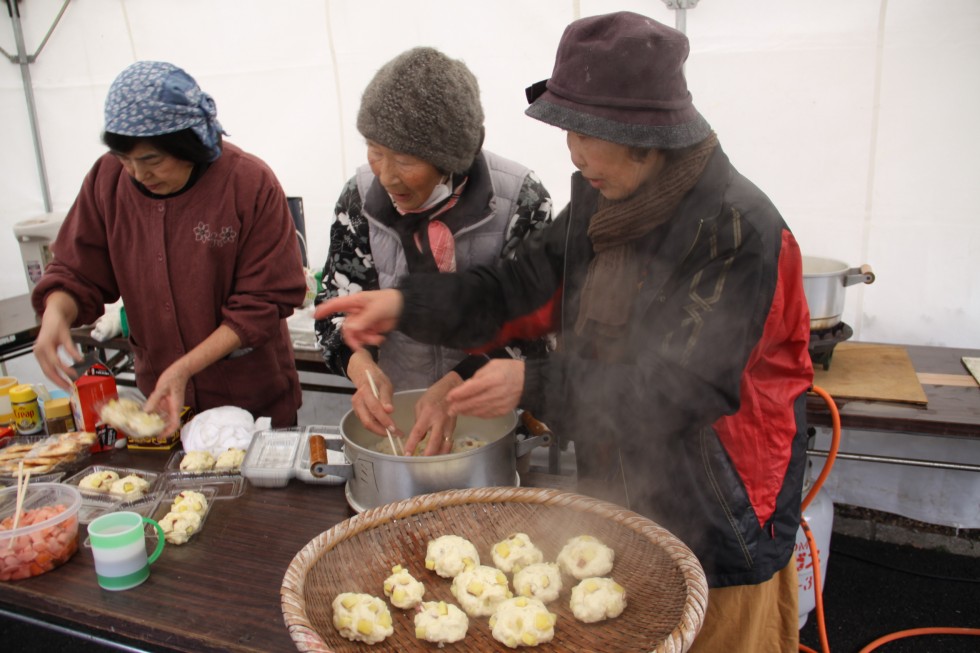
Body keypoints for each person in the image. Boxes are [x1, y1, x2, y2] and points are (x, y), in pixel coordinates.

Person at [317, 12, 814, 651]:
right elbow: (512, 291)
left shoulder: (737, 230)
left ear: (643, 137)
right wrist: (404, 304)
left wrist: (530, 380)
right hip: (622, 488)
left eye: (583, 133)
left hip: (720, 503)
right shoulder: (600, 207)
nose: (572, 153)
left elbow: (683, 387)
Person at [32, 61, 307, 433]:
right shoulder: (107, 180)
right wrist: (55, 314)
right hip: (162, 406)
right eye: (125, 158)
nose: (137, 174)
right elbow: (77, 269)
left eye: (152, 160)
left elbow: (264, 301)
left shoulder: (248, 184)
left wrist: (184, 367)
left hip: (250, 404)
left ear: (189, 143)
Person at [314, 47, 553, 455]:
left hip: (491, 420)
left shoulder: (521, 199)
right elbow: (339, 304)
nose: (387, 176)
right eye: (375, 150)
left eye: (405, 159)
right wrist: (363, 368)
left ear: (451, 159)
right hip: (402, 418)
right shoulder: (359, 197)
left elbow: (532, 322)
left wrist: (457, 384)